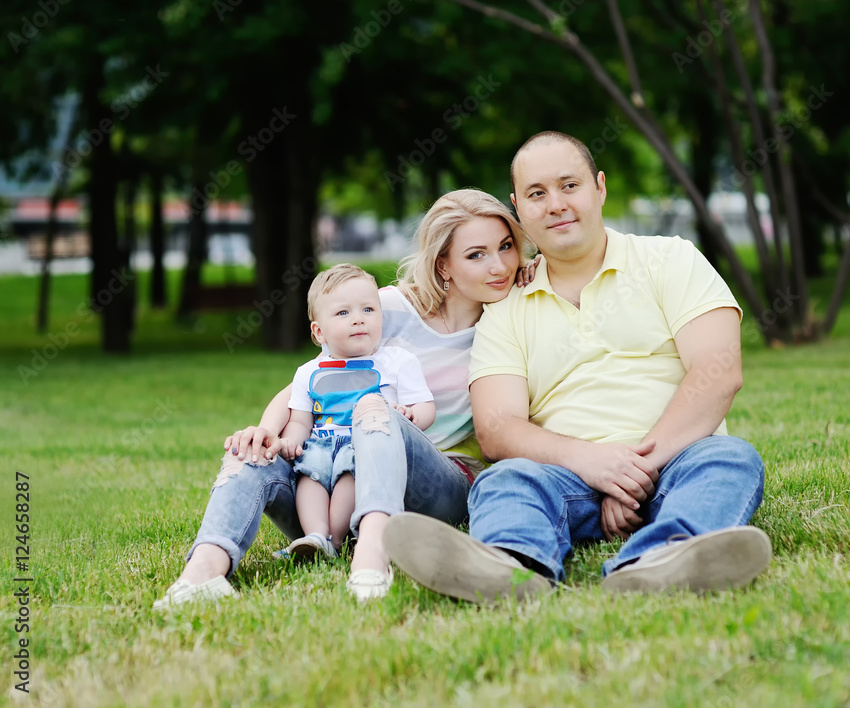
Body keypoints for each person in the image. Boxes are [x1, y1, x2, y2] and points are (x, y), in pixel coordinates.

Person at [383, 131, 772, 603]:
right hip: (565, 476)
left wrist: (631, 473)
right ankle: (513, 566)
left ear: (600, 188)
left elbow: (719, 371)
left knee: (731, 459)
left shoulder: (670, 259)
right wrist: (593, 464)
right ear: (519, 209)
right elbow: (498, 427)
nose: (556, 205)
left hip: (680, 459)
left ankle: (659, 560)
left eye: (570, 185)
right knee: (505, 479)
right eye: (537, 194)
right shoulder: (506, 305)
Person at [154, 188, 530, 607]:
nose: (499, 266)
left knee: (375, 406)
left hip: (437, 484)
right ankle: (203, 572)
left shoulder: (512, 318)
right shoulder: (383, 310)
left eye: (507, 247)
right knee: (253, 453)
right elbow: (309, 382)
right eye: (476, 255)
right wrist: (263, 432)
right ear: (443, 264)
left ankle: (372, 554)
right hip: (333, 478)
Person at [270, 264, 435, 566]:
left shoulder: (396, 362)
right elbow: (299, 420)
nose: (359, 318)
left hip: (366, 446)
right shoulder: (309, 372)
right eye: (343, 313)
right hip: (321, 444)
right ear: (319, 332)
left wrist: (408, 416)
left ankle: (335, 538)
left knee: (351, 476)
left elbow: (426, 407)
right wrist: (292, 441)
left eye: (369, 309)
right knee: (310, 475)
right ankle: (315, 535)